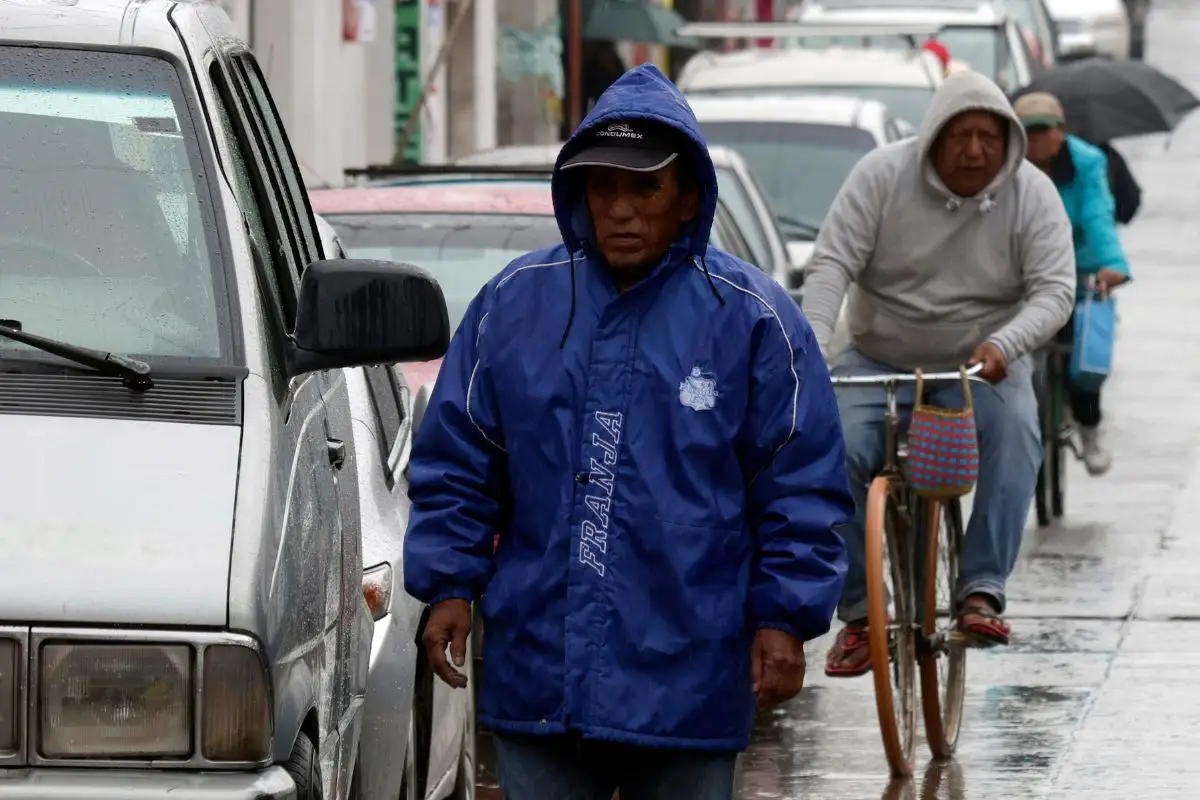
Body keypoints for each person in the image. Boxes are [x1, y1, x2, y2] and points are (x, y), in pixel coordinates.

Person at [403, 63, 853, 799]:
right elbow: (459, 459)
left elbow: (798, 480)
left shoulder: (751, 318)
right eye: (603, 186)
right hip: (540, 669)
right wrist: (449, 583)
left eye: (644, 187)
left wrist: (784, 616)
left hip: (691, 673)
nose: (621, 209)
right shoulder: (514, 305)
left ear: (686, 197)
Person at [801, 71, 1076, 677]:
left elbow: (1055, 290)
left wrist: (1008, 343)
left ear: (1008, 141)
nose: (975, 150)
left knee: (1017, 436)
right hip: (877, 357)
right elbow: (830, 267)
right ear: (933, 138)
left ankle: (980, 588)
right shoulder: (879, 177)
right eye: (960, 136)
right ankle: (858, 615)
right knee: (827, 447)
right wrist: (812, 351)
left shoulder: (1032, 195)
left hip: (982, 364)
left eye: (988, 137)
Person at [1015, 91, 1132, 475]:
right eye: (1027, 133)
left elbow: (1100, 215)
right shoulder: (1007, 165)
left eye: (1044, 131)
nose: (1035, 141)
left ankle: (1089, 429)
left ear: (1061, 132)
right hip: (1022, 270)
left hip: (1076, 268)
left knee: (1084, 354)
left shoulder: (1087, 163)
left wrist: (1112, 264)